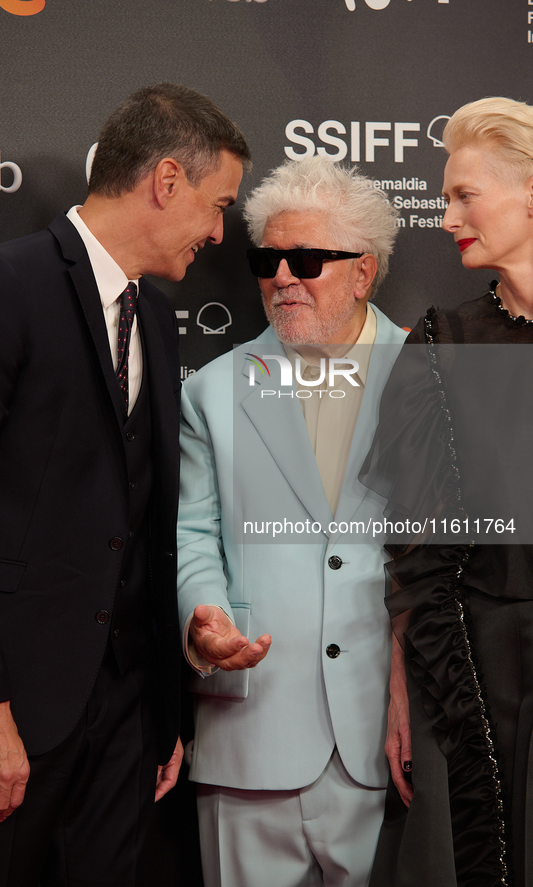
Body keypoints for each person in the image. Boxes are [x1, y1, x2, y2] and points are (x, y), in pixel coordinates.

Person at [0, 82, 250, 887]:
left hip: (124, 721)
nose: (219, 233)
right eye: (217, 205)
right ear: (166, 182)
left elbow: (144, 517)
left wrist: (162, 712)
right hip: (12, 716)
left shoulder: (150, 314)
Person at [176, 156, 406, 887]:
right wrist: (201, 617)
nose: (281, 276)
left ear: (362, 273)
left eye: (305, 259)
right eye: (266, 259)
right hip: (250, 741)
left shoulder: (430, 376)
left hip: (387, 744)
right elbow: (193, 536)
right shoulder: (212, 391)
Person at [364, 97, 533, 887]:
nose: (444, 214)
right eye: (444, 194)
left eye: (464, 194)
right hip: (478, 683)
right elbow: (415, 561)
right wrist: (402, 690)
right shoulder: (439, 342)